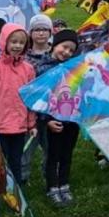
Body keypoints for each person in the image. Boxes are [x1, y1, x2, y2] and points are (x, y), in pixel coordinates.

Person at [0, 23, 36, 217]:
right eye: (13, 41)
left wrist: (31, 123)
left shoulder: (28, 69)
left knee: (16, 162)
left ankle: (15, 196)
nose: (17, 45)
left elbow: (30, 99)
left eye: (21, 42)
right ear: (4, 42)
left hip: (19, 126)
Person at [39, 29, 81, 207]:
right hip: (52, 119)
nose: (67, 52)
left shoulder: (75, 69)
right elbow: (39, 97)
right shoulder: (44, 67)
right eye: (64, 47)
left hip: (72, 119)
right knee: (53, 155)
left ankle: (64, 184)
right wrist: (46, 120)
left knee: (67, 153)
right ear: (54, 44)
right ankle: (52, 187)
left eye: (71, 50)